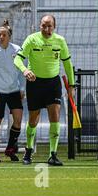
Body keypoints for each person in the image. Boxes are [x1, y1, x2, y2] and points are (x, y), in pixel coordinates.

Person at [14, 15, 75, 166]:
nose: (46, 29)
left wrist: (71, 86)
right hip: (35, 84)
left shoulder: (60, 41)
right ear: (40, 25)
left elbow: (67, 65)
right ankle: (28, 151)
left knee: (54, 116)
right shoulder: (31, 39)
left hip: (53, 84)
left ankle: (52, 155)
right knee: (33, 119)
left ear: (54, 27)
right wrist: (24, 71)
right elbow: (17, 59)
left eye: (49, 26)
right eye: (43, 26)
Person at [0, 20, 25, 162]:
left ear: (9, 36)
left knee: (18, 121)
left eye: (3, 35)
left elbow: (21, 71)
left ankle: (9, 149)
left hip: (14, 91)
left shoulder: (17, 50)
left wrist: (22, 88)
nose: (0, 37)